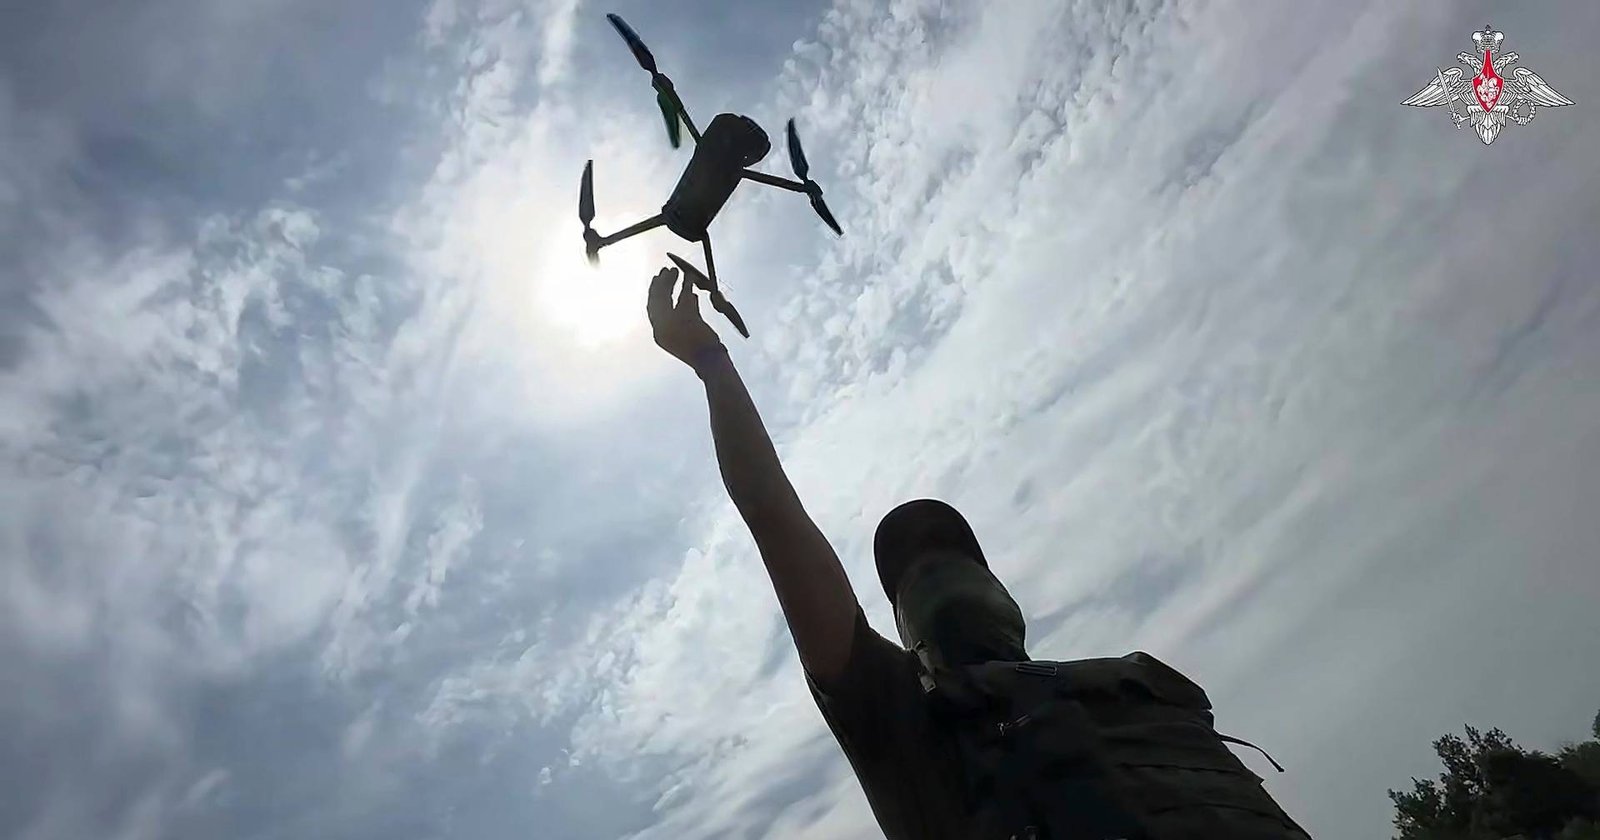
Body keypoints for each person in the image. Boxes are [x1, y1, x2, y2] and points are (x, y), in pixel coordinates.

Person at [647, 266, 1310, 839]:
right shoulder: (899, 715)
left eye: (952, 553)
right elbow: (773, 515)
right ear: (905, 640)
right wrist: (712, 362)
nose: (933, 564)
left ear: (1011, 602)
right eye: (910, 573)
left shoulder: (1143, 687)